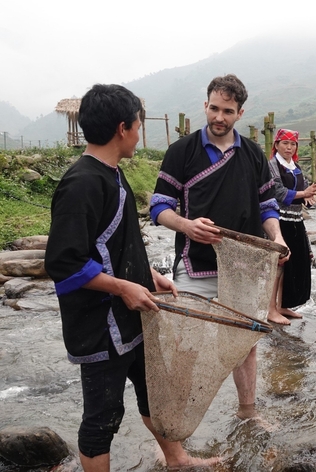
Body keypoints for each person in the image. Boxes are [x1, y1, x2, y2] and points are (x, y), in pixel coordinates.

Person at [44, 84, 217, 471]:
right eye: (138, 124)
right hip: (100, 324)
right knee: (102, 416)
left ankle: (178, 460)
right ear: (123, 127)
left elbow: (120, 245)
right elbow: (64, 262)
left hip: (132, 313)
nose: (140, 132)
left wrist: (149, 275)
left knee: (153, 393)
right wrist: (122, 286)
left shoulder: (112, 174)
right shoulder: (82, 183)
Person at [150, 74, 289, 420]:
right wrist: (186, 225)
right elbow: (158, 207)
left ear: (240, 113)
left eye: (227, 111)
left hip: (244, 267)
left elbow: (267, 205)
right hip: (194, 263)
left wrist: (277, 236)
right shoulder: (181, 152)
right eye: (213, 108)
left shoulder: (253, 154)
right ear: (205, 105)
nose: (218, 117)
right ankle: (173, 426)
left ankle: (248, 413)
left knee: (244, 347)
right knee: (183, 346)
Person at [266, 128, 316, 325]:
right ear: (276, 145)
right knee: (278, 264)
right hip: (278, 221)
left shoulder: (294, 166)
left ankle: (282, 304)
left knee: (293, 265)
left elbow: (303, 189)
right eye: (285, 143)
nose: (289, 147)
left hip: (296, 220)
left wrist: (309, 196)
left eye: (293, 144)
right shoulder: (272, 166)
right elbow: (278, 192)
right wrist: (303, 194)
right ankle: (270, 309)